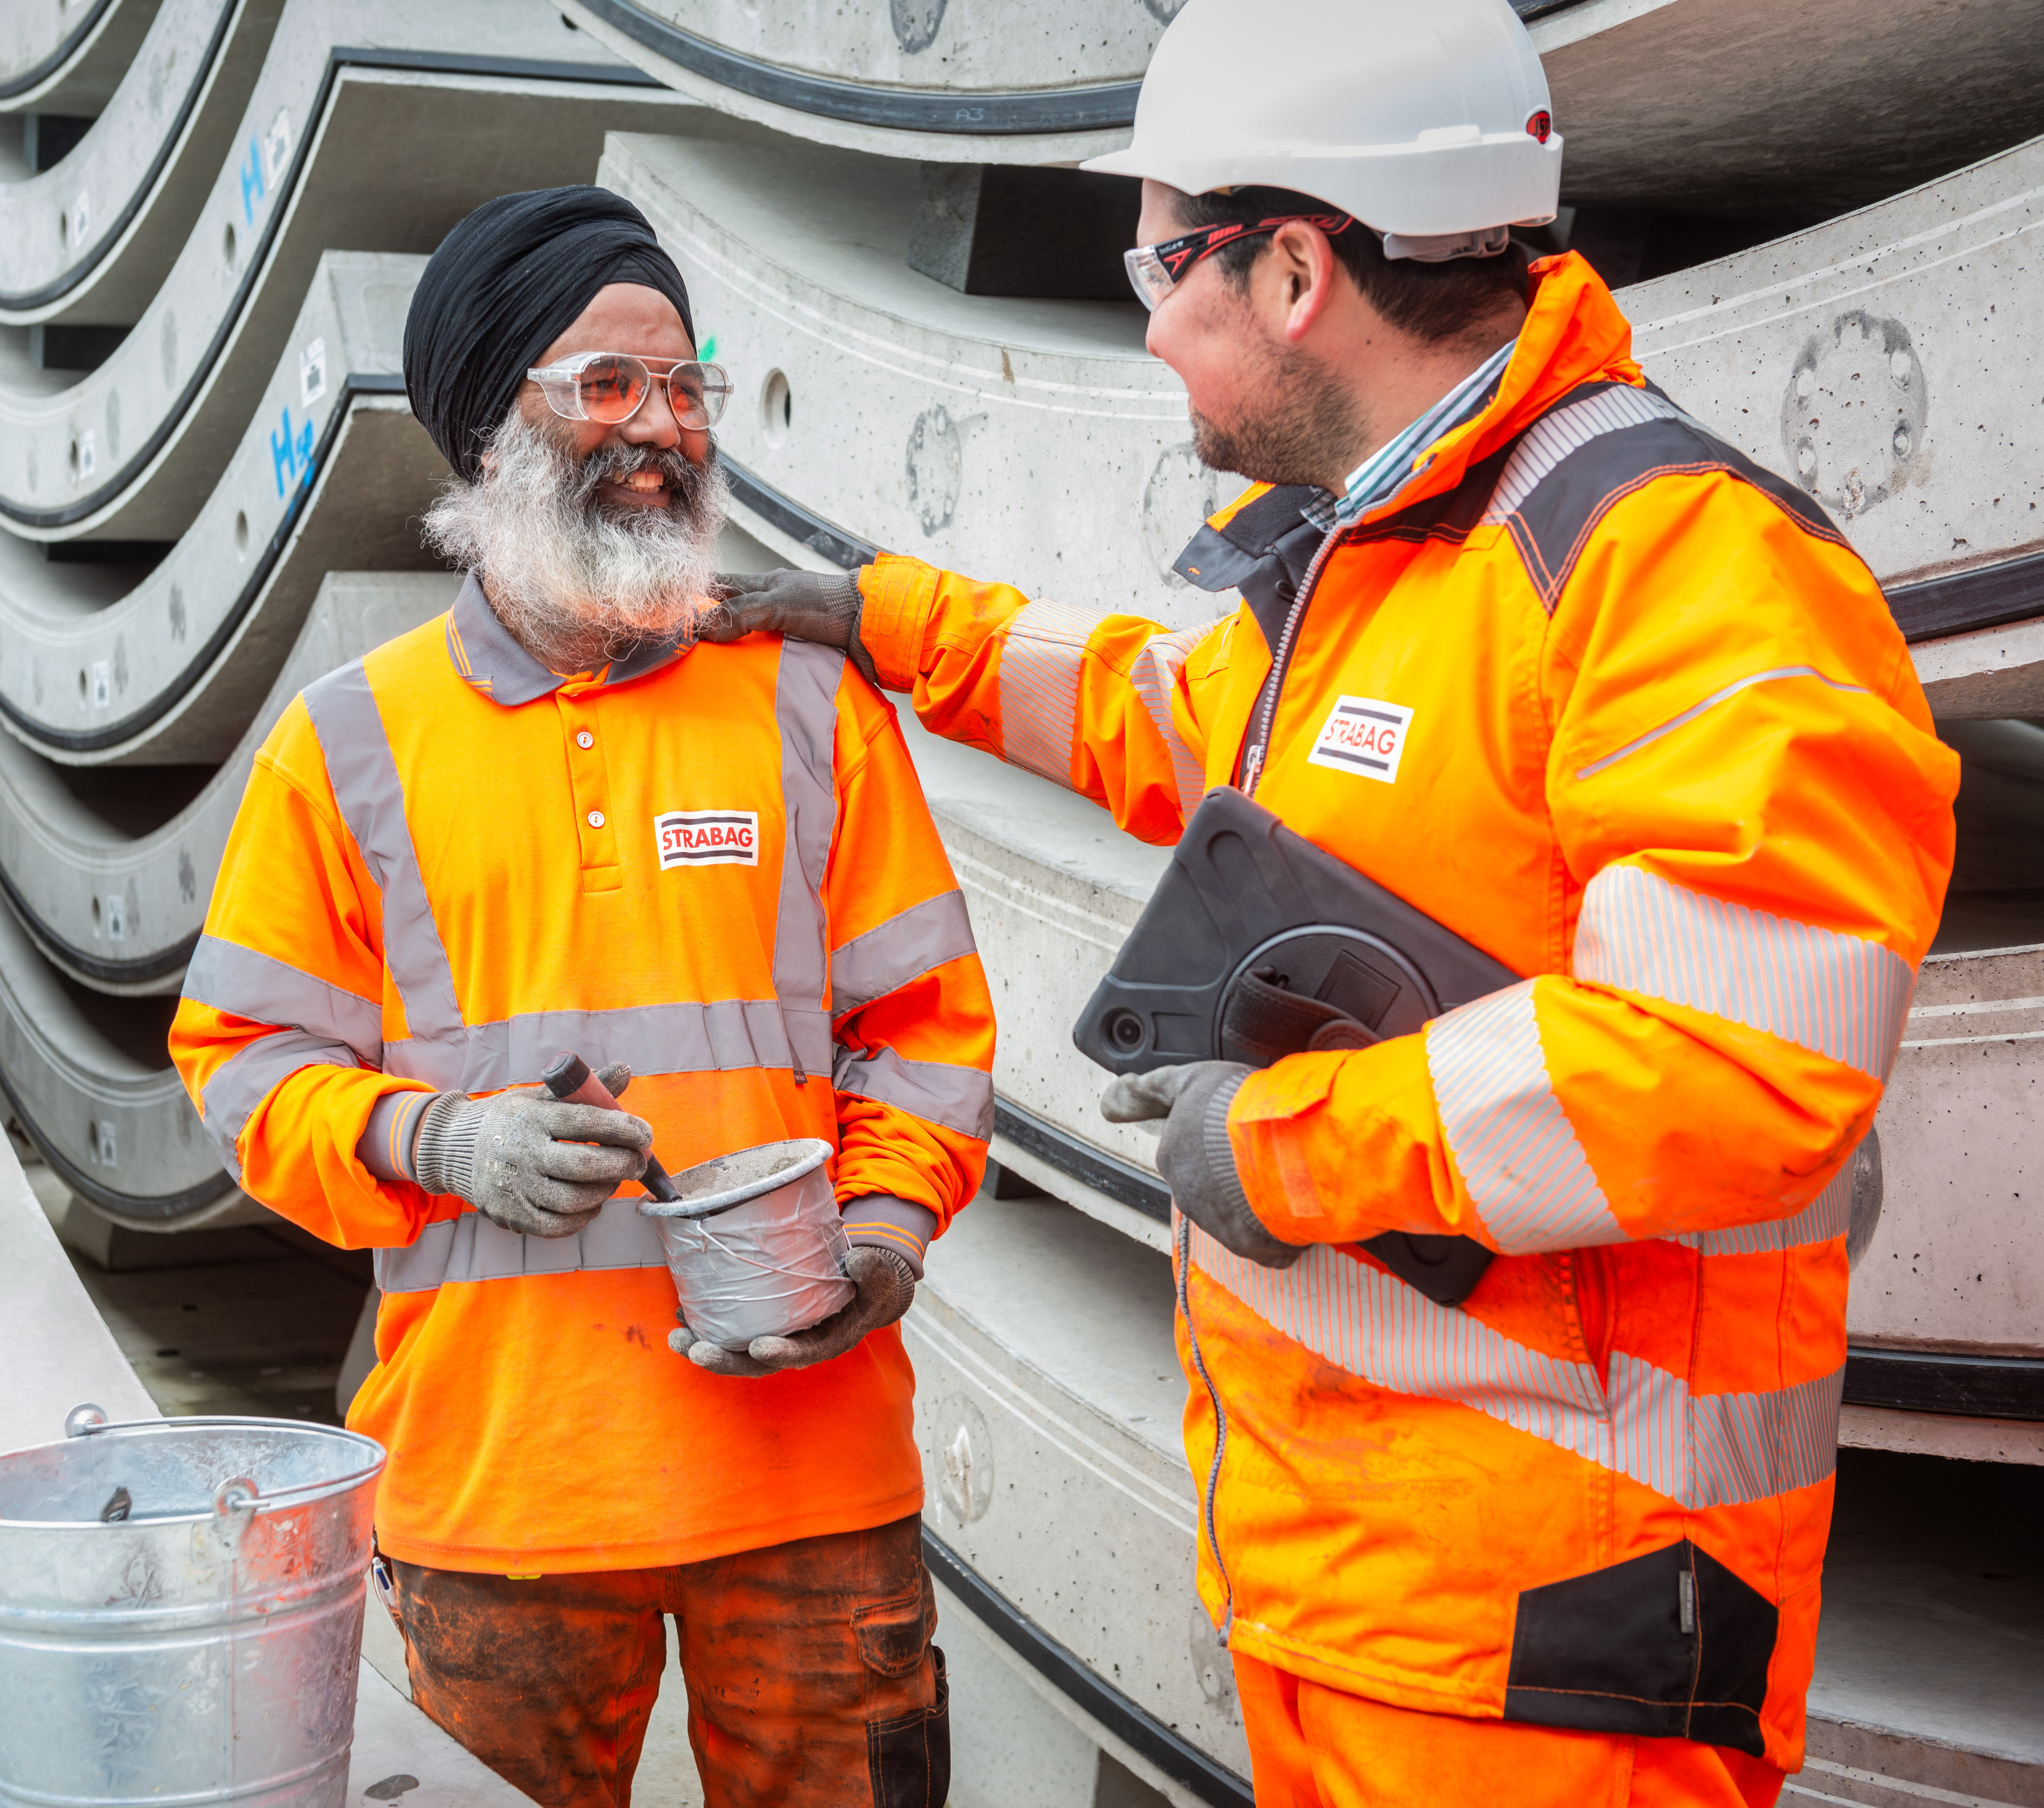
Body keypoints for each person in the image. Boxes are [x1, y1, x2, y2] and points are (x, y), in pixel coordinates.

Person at [699, 1, 1958, 1802]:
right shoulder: (1394, 554)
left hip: (1558, 1642)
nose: (1142, 320)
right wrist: (884, 620)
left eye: (1156, 260)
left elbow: (1743, 1061)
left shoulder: (1677, 565)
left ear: (1292, 270)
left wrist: (1284, 1149)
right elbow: (1173, 717)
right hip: (1351, 1594)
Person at [170, 186, 995, 1808]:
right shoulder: (351, 741)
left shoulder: (809, 704)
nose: (663, 429)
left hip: (814, 1479)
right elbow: (239, 1069)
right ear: (490, 431)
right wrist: (431, 1140)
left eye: (684, 388)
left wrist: (888, 1233)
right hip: (503, 1501)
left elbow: (926, 1032)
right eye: (607, 386)